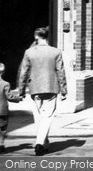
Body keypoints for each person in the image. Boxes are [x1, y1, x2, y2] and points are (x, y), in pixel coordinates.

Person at [17, 27, 67, 156]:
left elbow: (24, 72)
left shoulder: (29, 52)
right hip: (51, 87)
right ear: (47, 36)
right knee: (47, 116)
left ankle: (43, 143)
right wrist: (64, 89)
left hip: (35, 88)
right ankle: (40, 143)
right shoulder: (56, 52)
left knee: (39, 117)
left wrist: (21, 90)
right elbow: (60, 71)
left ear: (36, 37)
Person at [0, 63, 21, 153]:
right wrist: (18, 98)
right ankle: (1, 144)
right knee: (2, 129)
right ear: (3, 72)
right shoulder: (5, 84)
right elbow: (9, 97)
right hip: (2, 111)